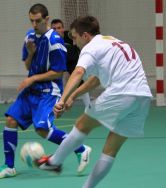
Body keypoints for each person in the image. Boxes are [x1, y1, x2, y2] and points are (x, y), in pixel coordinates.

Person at [36, 15, 153, 188]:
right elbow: (96, 79)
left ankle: (54, 162)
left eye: (75, 38)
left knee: (82, 124)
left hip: (122, 93)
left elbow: (77, 73)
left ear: (85, 36)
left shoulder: (91, 47)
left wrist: (61, 100)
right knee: (110, 151)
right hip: (143, 98)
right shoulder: (112, 42)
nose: (74, 43)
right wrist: (73, 95)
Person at [0, 4, 92, 179]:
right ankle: (9, 166)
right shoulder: (29, 37)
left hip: (49, 91)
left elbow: (58, 72)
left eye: (38, 20)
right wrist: (30, 54)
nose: (34, 24)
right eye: (31, 20)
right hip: (31, 91)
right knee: (11, 120)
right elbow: (28, 66)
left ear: (46, 19)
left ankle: (81, 148)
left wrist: (32, 78)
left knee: (42, 129)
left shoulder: (55, 41)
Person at [51, 18, 90, 106]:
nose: (57, 30)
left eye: (59, 28)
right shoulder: (48, 40)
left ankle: (89, 106)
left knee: (80, 82)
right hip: (57, 63)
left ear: (63, 29)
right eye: (54, 29)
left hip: (72, 61)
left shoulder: (70, 35)